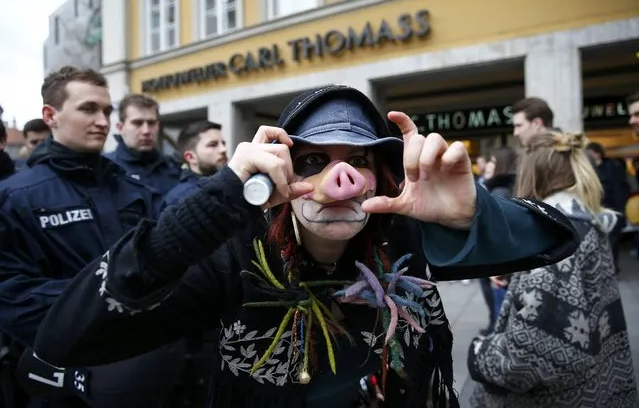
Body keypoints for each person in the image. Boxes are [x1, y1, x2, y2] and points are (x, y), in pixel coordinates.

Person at [34, 85, 578, 408]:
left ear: (379, 176)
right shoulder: (235, 260)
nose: (337, 180)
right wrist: (222, 196)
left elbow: (558, 239)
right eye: (313, 161)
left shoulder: (401, 238)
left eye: (358, 160)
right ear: (281, 173)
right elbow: (63, 338)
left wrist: (473, 213)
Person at [0, 67, 208, 408]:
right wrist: (108, 307)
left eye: (107, 111)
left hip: (151, 376)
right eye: (88, 109)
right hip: (64, 384)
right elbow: (13, 299)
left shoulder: (135, 191)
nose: (102, 121)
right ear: (50, 115)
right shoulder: (15, 198)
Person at [468, 131, 637, 407]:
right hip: (596, 384)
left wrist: (478, 353)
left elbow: (525, 359)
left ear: (531, 174)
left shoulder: (555, 239)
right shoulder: (583, 222)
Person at [477, 146, 518, 335]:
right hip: (496, 258)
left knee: (496, 296)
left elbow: (498, 229)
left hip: (495, 259)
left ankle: (496, 326)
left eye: (493, 161)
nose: (489, 165)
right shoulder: (504, 187)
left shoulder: (500, 191)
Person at [106, 93, 181, 194]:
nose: (146, 131)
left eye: (151, 123)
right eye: (137, 123)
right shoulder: (106, 168)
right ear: (120, 127)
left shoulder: (174, 168)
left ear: (158, 126)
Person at [585, 142, 630, 273]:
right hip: (596, 210)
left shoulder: (612, 167)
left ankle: (611, 267)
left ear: (597, 153)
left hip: (612, 210)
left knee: (612, 242)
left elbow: (620, 189)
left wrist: (619, 210)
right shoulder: (591, 169)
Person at [162, 120, 228, 208]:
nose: (223, 149)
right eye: (213, 145)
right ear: (190, 157)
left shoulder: (230, 185)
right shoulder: (181, 198)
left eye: (223, 143)